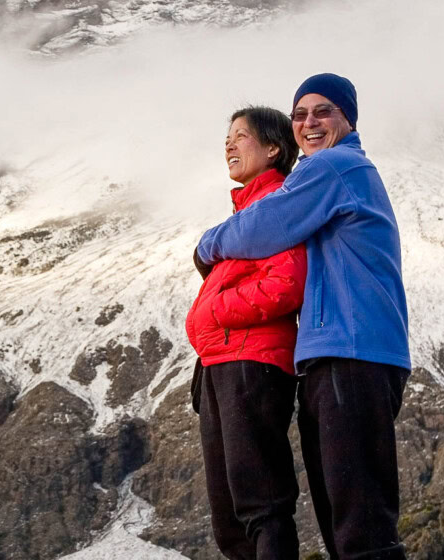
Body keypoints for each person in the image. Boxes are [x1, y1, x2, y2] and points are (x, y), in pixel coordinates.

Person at [196, 73, 412, 560]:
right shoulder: (333, 173)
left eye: (323, 111)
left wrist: (206, 246)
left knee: (360, 524)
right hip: (334, 356)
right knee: (345, 520)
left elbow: (265, 225)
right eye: (300, 114)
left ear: (348, 119)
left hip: (351, 353)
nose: (309, 122)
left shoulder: (334, 166)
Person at [186, 105, 307, 560]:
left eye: (242, 136)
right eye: (227, 137)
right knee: (229, 518)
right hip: (221, 364)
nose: (229, 144)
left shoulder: (278, 206)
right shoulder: (246, 214)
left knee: (260, 504)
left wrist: (215, 309)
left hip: (252, 365)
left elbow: (286, 283)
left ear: (274, 148)